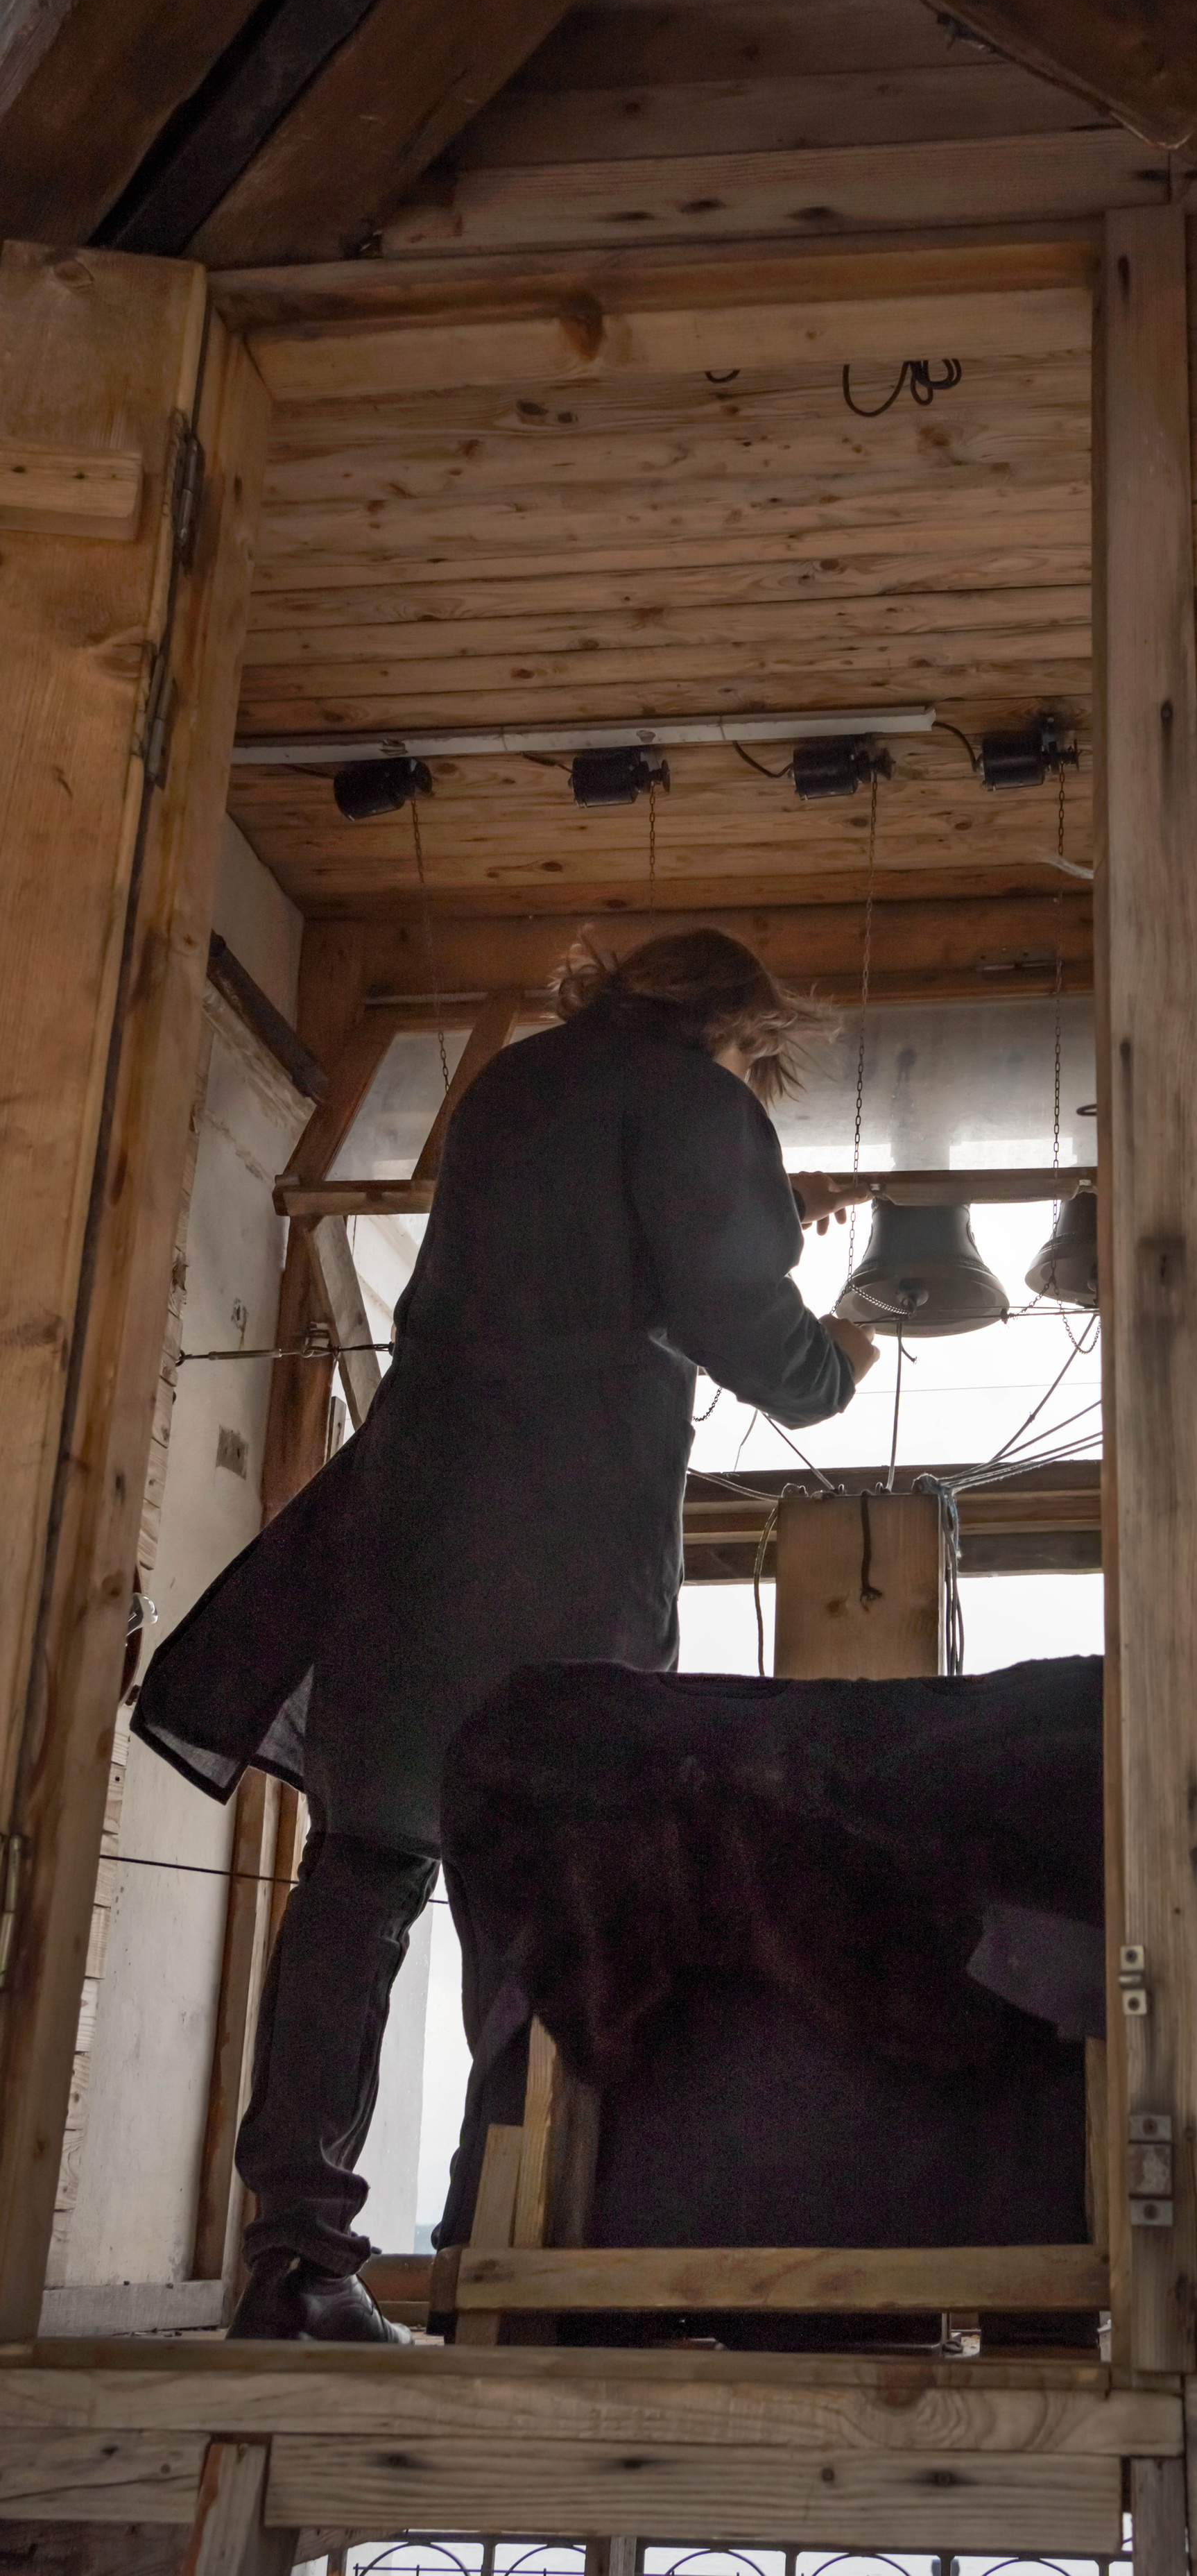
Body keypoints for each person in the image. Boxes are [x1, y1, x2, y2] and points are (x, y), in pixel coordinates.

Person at [133, 928, 877, 2342]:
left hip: (412, 1517)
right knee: (552, 1883)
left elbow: (590, 1244)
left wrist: (768, 1207)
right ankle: (508, 2261)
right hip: (557, 1542)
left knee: (362, 1875)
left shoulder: (516, 1084)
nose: (747, 1083)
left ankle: (293, 2262)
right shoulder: (694, 1101)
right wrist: (833, 1356)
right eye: (749, 1062)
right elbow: (746, 1331)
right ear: (730, 1026)